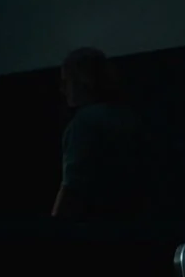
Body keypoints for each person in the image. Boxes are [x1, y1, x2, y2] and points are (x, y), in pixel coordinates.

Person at [51, 47, 146, 220]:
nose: (62, 89)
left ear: (83, 81)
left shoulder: (84, 122)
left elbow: (72, 187)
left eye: (67, 81)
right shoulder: (129, 116)